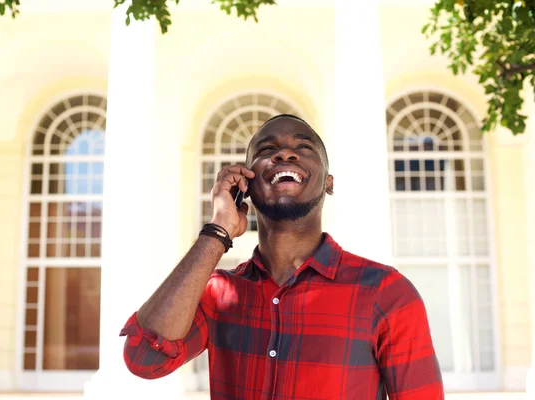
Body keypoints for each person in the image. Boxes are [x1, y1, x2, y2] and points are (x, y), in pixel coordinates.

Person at [119, 114, 444, 399]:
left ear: (328, 183)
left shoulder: (388, 293)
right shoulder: (217, 294)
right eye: (266, 150)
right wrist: (218, 230)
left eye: (303, 148)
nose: (284, 153)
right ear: (244, 186)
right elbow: (145, 359)